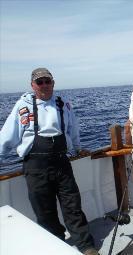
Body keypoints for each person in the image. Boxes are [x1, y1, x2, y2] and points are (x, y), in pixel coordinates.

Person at [0, 68, 99, 255]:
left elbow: (73, 130)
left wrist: (77, 149)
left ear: (53, 83)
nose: (44, 85)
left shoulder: (63, 105)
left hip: (62, 164)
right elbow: (6, 137)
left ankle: (86, 246)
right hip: (35, 168)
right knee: (45, 214)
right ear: (32, 85)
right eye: (40, 82)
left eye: (47, 81)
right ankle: (57, 246)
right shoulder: (22, 107)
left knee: (73, 207)